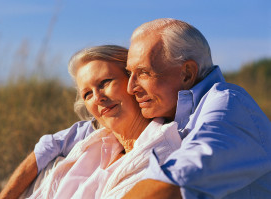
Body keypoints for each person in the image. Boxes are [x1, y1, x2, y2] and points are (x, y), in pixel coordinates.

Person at [122, 18, 271, 198]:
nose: (131, 88)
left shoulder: (229, 105)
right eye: (130, 73)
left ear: (187, 73)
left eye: (144, 73)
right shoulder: (165, 116)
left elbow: (171, 186)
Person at [24, 45, 182, 199]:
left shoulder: (162, 154)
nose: (98, 98)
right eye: (87, 94)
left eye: (105, 82)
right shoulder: (91, 146)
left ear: (134, 82)